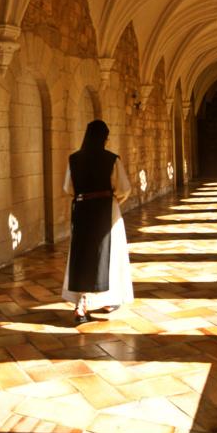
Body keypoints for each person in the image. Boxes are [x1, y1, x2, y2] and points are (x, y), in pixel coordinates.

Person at [61, 119, 134, 325]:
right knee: (109, 255)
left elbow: (68, 188)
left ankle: (82, 304)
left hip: (82, 210)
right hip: (106, 210)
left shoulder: (73, 159)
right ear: (103, 138)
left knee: (83, 256)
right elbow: (123, 188)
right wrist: (113, 201)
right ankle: (105, 300)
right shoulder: (111, 159)